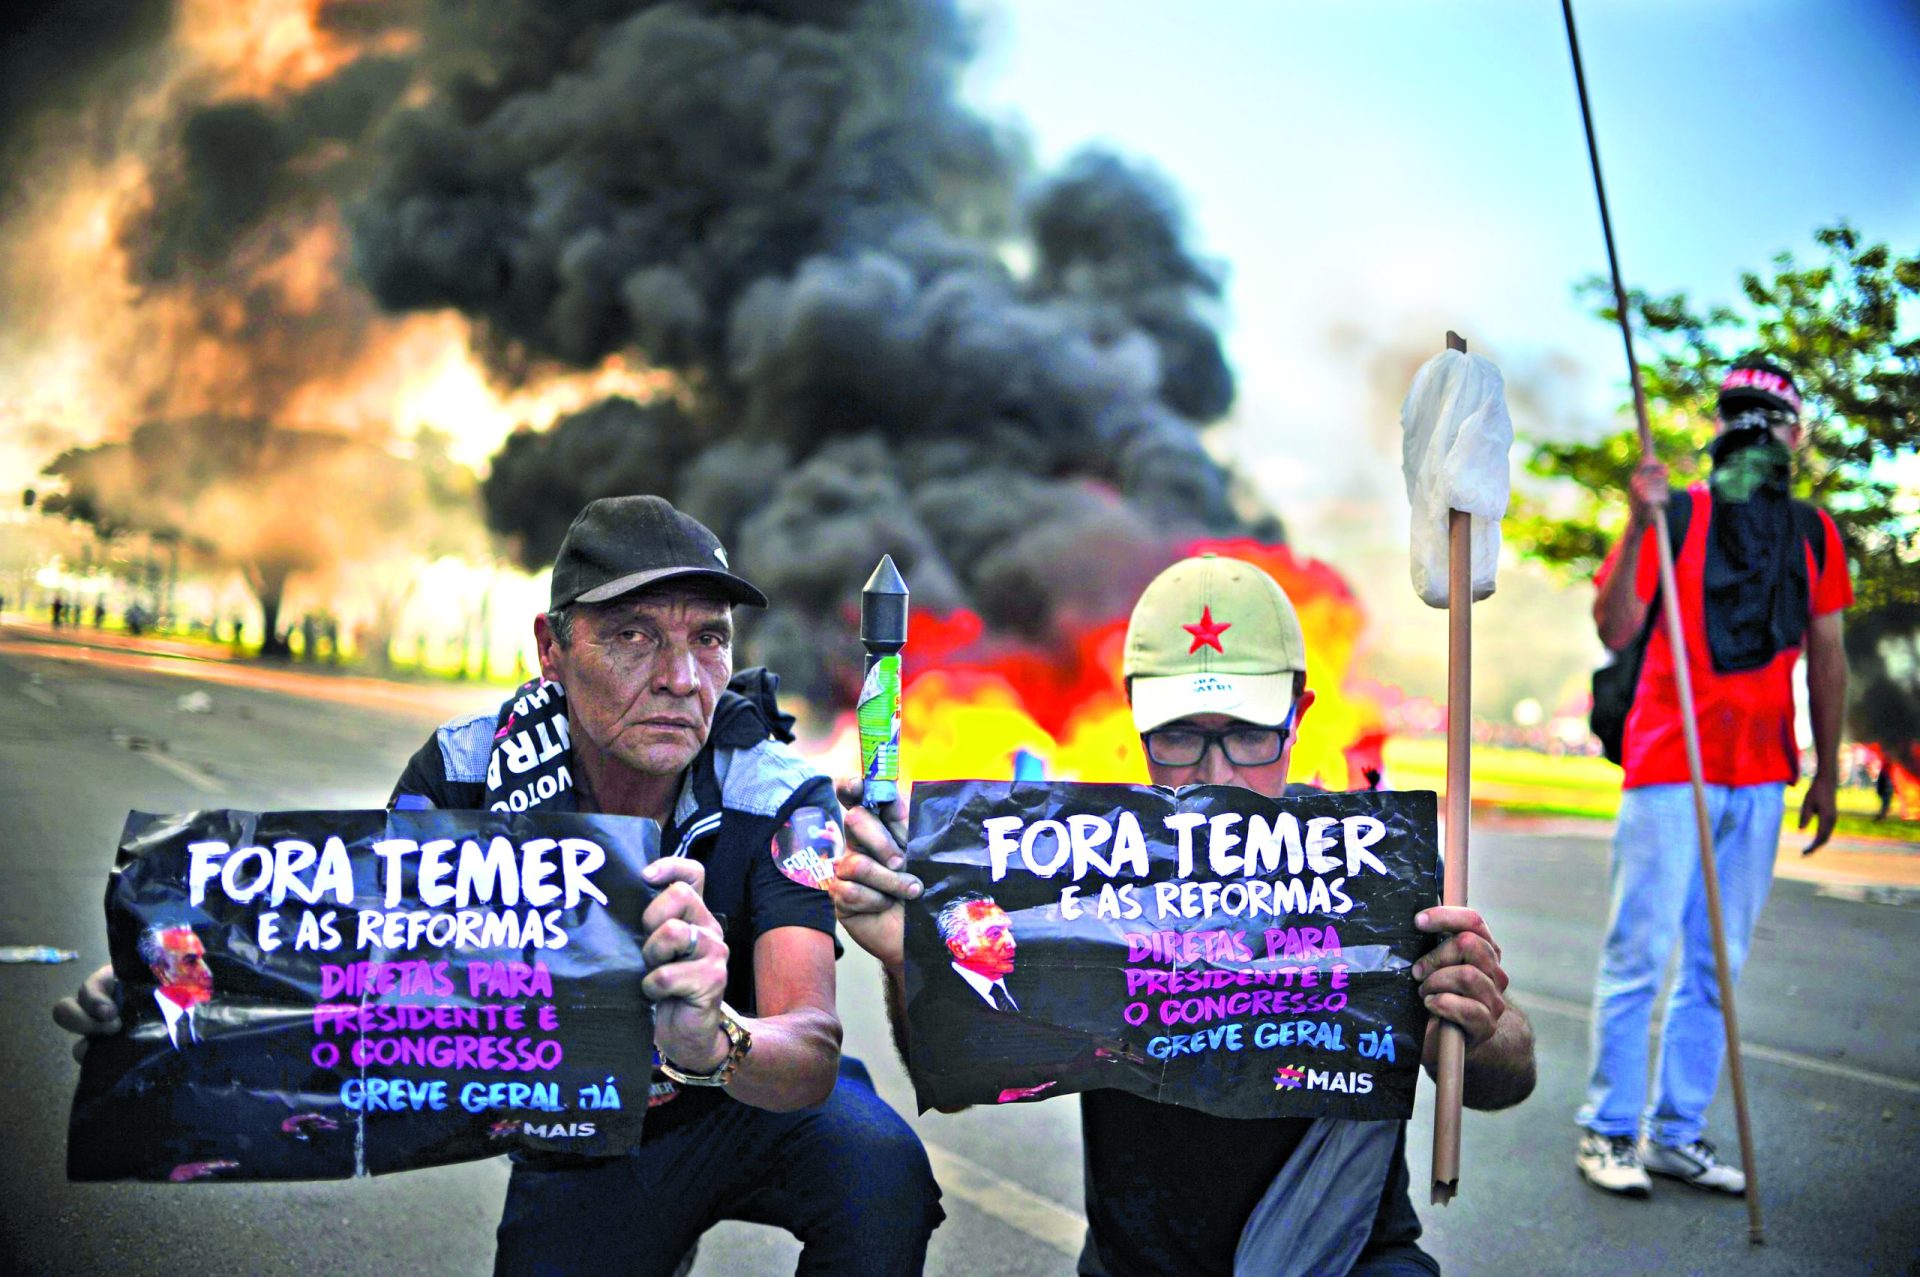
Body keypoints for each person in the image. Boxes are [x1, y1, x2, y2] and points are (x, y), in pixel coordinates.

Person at [54, 495, 943, 1276]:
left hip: (741, 1107)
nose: (680, 678)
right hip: (578, 1134)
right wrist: (170, 1001)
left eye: (707, 638)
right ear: (551, 648)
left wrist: (715, 1038)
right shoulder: (467, 770)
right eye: (633, 636)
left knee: (882, 1171)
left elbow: (811, 1046)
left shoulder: (773, 789)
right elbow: (351, 972)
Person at [833, 552, 1537, 1276]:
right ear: (1135, 724)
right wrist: (908, 954)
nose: (1216, 771)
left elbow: (1504, 1078)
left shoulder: (1368, 863)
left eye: (1247, 732)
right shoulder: (1079, 868)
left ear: (1297, 719)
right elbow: (947, 1070)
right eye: (1179, 736)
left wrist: (1479, 1024)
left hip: (1346, 1253)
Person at [1576, 356, 1851, 1197]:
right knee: (1640, 950)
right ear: (1719, 426)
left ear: (1795, 435)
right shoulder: (1680, 516)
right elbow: (1617, 625)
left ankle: (1676, 1131)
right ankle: (1609, 1128)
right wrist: (1637, 519)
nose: (1758, 434)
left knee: (1717, 964)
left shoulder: (1813, 532)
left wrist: (1828, 772)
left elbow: (1828, 653)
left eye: (1771, 421)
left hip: (1761, 772)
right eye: (1741, 415)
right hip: (1671, 762)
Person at [138, 925, 212, 1049]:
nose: (207, 972)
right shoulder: (131, 1018)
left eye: (202, 958)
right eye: (191, 962)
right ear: (160, 972)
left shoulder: (227, 1014)